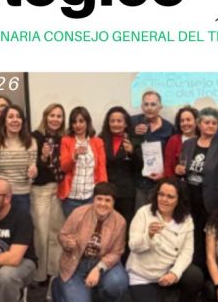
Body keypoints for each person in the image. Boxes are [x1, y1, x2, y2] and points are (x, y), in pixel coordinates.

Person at [126, 177, 203, 302]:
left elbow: (187, 251)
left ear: (179, 199)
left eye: (170, 196)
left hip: (168, 271)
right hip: (143, 275)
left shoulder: (186, 219)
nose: (164, 199)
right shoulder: (144, 212)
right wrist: (148, 235)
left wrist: (175, 273)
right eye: (161, 194)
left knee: (194, 276)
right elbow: (133, 246)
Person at [52, 182, 129, 302]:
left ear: (114, 203)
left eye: (108, 200)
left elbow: (117, 252)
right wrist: (67, 242)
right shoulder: (78, 213)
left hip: (103, 263)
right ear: (93, 199)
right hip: (77, 264)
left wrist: (98, 269)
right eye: (99, 199)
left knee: (118, 283)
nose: (103, 204)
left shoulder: (120, 221)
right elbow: (63, 235)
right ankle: (57, 286)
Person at [175, 107, 218, 269]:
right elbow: (183, 170)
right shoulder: (188, 144)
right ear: (199, 124)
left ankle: (209, 275)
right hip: (189, 201)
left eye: (214, 123)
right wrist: (178, 171)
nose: (210, 126)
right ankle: (193, 273)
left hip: (211, 203)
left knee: (209, 242)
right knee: (191, 240)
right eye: (207, 122)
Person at [30, 103, 66, 284]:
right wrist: (43, 157)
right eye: (52, 115)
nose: (55, 119)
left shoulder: (64, 138)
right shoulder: (35, 137)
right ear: (45, 117)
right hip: (40, 190)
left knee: (57, 232)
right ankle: (40, 274)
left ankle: (54, 271)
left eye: (59, 116)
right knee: (41, 234)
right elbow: (30, 165)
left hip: (58, 189)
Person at [0, 105, 37, 214]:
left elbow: (32, 174)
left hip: (22, 195)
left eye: (18, 117)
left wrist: (33, 173)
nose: (15, 120)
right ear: (4, 121)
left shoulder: (31, 142)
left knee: (21, 224)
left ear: (22, 121)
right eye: (10, 117)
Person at [58, 106, 107, 217]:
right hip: (71, 197)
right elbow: (64, 167)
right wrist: (74, 156)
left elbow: (101, 169)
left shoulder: (98, 142)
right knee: (72, 227)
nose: (78, 125)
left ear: (87, 122)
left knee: (90, 226)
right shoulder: (66, 141)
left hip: (91, 196)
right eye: (74, 122)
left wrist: (103, 193)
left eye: (81, 121)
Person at [131, 91, 174, 210]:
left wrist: (164, 174)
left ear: (160, 107)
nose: (149, 108)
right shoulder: (133, 122)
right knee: (140, 216)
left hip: (160, 183)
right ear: (142, 106)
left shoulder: (169, 128)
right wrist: (132, 132)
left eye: (153, 104)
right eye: (146, 104)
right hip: (138, 182)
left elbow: (171, 156)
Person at [100, 106, 139, 235]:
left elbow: (140, 166)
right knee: (105, 227)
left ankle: (124, 249)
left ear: (125, 123)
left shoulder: (134, 139)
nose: (115, 124)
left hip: (126, 192)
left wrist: (132, 153)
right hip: (106, 191)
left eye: (119, 121)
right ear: (108, 123)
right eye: (112, 121)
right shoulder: (101, 139)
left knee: (124, 227)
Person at [163, 106, 198, 177]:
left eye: (188, 120)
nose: (185, 123)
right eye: (182, 121)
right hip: (177, 181)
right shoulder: (173, 140)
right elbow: (167, 166)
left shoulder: (203, 140)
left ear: (196, 122)